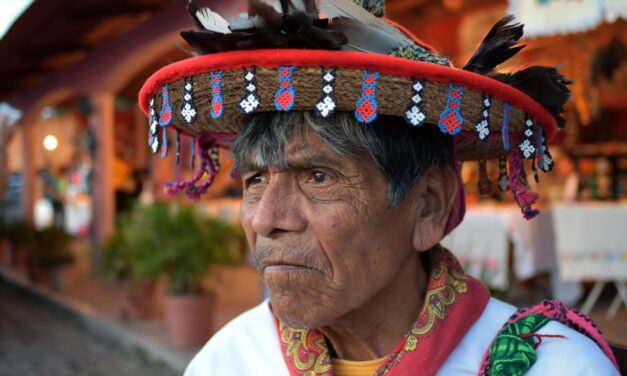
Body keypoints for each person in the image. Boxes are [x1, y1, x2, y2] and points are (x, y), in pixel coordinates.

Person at [138, 0, 621, 374]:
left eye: (318, 177)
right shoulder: (229, 362)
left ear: (428, 207)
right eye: (255, 179)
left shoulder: (552, 366)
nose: (265, 219)